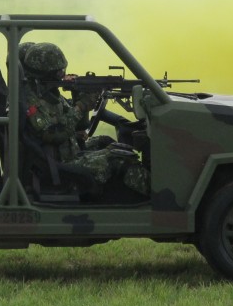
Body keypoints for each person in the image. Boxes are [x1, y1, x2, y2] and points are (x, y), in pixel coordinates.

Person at [21, 42, 149, 197]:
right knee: (119, 158)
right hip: (58, 167)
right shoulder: (30, 100)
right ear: (46, 74)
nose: (63, 74)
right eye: (59, 71)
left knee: (106, 141)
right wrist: (81, 106)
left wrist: (78, 96)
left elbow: (80, 125)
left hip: (69, 153)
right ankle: (155, 196)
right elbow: (53, 134)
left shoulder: (49, 93)